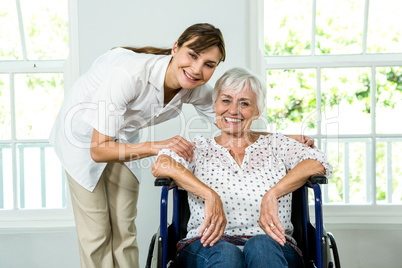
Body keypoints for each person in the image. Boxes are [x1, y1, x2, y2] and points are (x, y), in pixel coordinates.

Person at [50, 23, 314, 268]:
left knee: (124, 229)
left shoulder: (195, 87)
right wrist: (156, 146)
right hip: (83, 138)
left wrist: (285, 139)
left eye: (209, 64)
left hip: (124, 135)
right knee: (97, 233)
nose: (198, 69)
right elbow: (98, 150)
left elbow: (233, 122)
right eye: (192, 55)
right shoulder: (127, 75)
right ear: (176, 48)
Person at [152, 67, 333, 268]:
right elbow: (162, 164)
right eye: (226, 100)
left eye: (244, 103)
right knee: (226, 254)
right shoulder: (199, 148)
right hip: (206, 245)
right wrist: (209, 194)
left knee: (261, 245)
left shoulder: (277, 145)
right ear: (215, 105)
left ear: (257, 111)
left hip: (274, 246)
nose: (233, 110)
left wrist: (273, 193)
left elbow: (319, 163)